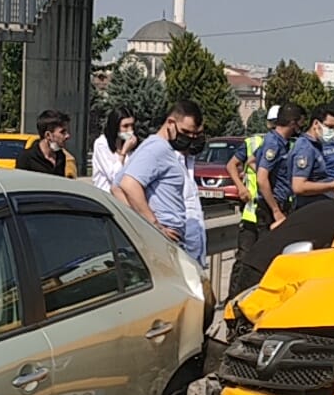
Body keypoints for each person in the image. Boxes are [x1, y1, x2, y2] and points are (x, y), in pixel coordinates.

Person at [115, 100, 209, 264]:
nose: (188, 138)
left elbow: (116, 187)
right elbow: (128, 184)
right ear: (171, 123)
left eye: (193, 134)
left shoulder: (155, 147)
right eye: (185, 132)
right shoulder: (157, 148)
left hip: (166, 240)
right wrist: (153, 226)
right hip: (164, 240)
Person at [226, 106, 275, 295]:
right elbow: (232, 165)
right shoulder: (254, 142)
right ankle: (234, 298)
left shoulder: (290, 144)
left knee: (265, 260)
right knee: (244, 258)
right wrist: (241, 187)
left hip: (270, 211)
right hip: (251, 210)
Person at [287, 105, 334, 208]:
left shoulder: (316, 146)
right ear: (316, 123)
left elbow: (317, 180)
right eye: (329, 127)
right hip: (306, 209)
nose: (332, 132)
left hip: (318, 205)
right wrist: (332, 186)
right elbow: (298, 186)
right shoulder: (305, 148)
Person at [15, 111, 77, 177]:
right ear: (48, 135)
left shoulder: (61, 157)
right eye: (62, 132)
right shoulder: (26, 158)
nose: (67, 136)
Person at [90, 109, 136, 193]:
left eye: (132, 125)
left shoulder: (130, 145)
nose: (130, 130)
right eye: (125, 126)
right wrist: (123, 153)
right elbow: (114, 176)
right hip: (105, 195)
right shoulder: (102, 144)